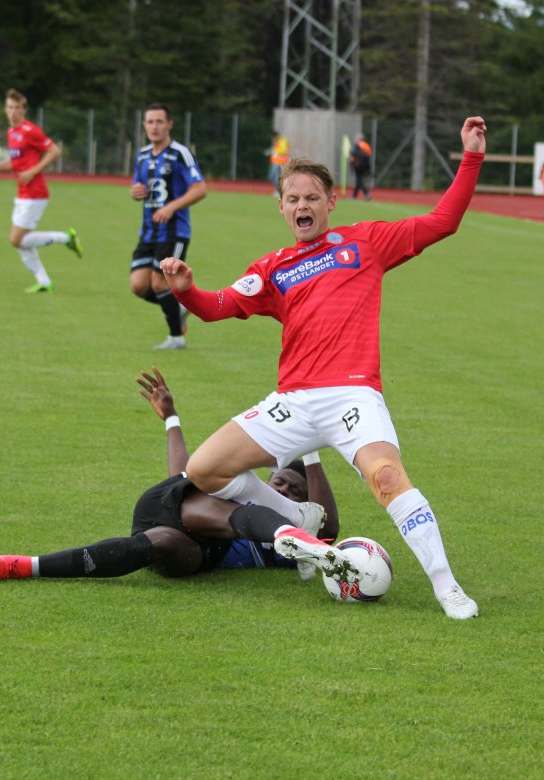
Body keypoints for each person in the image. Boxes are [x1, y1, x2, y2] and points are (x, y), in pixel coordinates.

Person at [158, 117, 490, 620]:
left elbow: (443, 221)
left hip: (352, 395)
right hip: (293, 401)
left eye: (312, 197)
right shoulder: (272, 268)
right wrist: (186, 291)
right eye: (293, 199)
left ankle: (448, 588)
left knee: (387, 478)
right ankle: (298, 517)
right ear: (281, 207)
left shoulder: (367, 242)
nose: (302, 206)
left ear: (331, 202)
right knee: (203, 470)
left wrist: (471, 156)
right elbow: (217, 305)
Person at [0, 368, 352, 584]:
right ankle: (298, 530)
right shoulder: (233, 488)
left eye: (293, 490)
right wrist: (171, 419)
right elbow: (183, 473)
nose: (282, 486)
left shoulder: (283, 548)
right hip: (171, 502)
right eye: (279, 481)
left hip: (192, 549)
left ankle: (21, 565)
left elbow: (330, 525)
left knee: (163, 541)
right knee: (219, 497)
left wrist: (310, 449)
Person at [0, 89, 84, 293]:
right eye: (9, 107)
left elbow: (55, 151)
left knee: (15, 240)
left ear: (24, 110)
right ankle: (44, 282)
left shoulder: (30, 130)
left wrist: (33, 170)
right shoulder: (11, 133)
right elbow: (15, 163)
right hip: (22, 194)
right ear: (5, 109)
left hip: (35, 193)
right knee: (21, 242)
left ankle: (66, 238)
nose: (13, 112)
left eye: (17, 108)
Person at [129, 104, 208, 350]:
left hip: (174, 232)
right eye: (150, 122)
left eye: (159, 122)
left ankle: (176, 338)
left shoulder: (180, 154)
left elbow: (200, 189)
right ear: (144, 125)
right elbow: (138, 188)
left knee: (159, 283)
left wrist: (172, 207)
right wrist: (136, 192)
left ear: (169, 124)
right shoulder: (142, 155)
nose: (154, 126)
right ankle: (181, 307)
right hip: (148, 231)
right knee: (138, 285)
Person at [350, 134, 373, 201]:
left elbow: (354, 153)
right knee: (358, 179)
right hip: (365, 165)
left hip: (358, 165)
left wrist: (351, 151)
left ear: (359, 139)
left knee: (359, 180)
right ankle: (354, 196)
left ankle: (366, 194)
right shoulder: (366, 145)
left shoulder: (358, 145)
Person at [267, 130, 290, 197]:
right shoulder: (277, 141)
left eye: (273, 138)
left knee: (276, 177)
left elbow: (283, 150)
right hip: (275, 161)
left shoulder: (283, 140)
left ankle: (278, 191)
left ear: (276, 136)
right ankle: (277, 190)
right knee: (272, 176)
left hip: (280, 161)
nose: (273, 139)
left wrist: (275, 151)